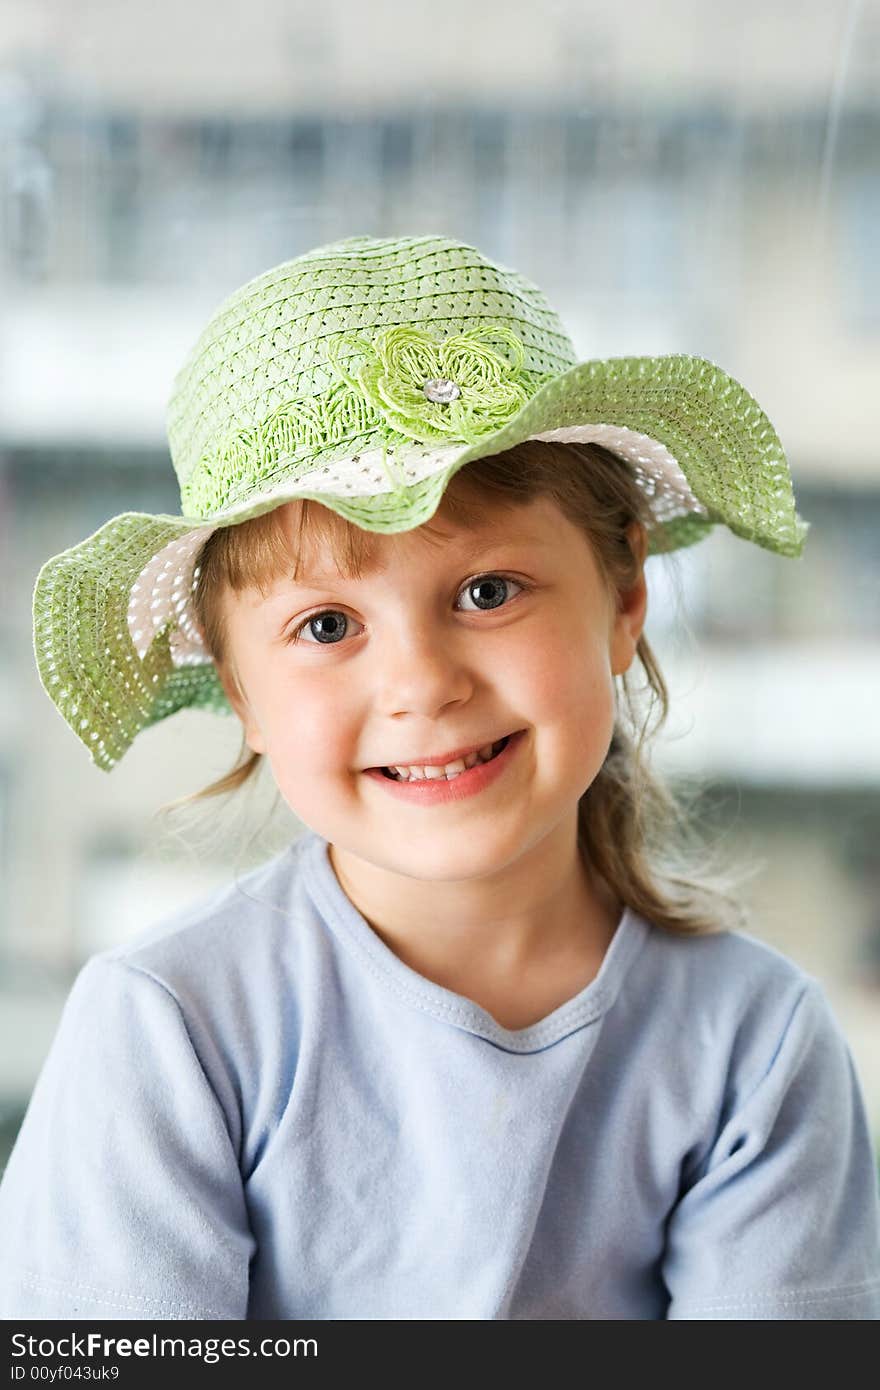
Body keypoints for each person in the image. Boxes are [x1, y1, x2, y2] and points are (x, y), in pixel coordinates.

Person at [2, 233, 878, 1321]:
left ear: (622, 599)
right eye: (327, 624)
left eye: (487, 591)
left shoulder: (756, 1043)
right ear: (240, 691)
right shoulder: (170, 1029)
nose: (420, 684)